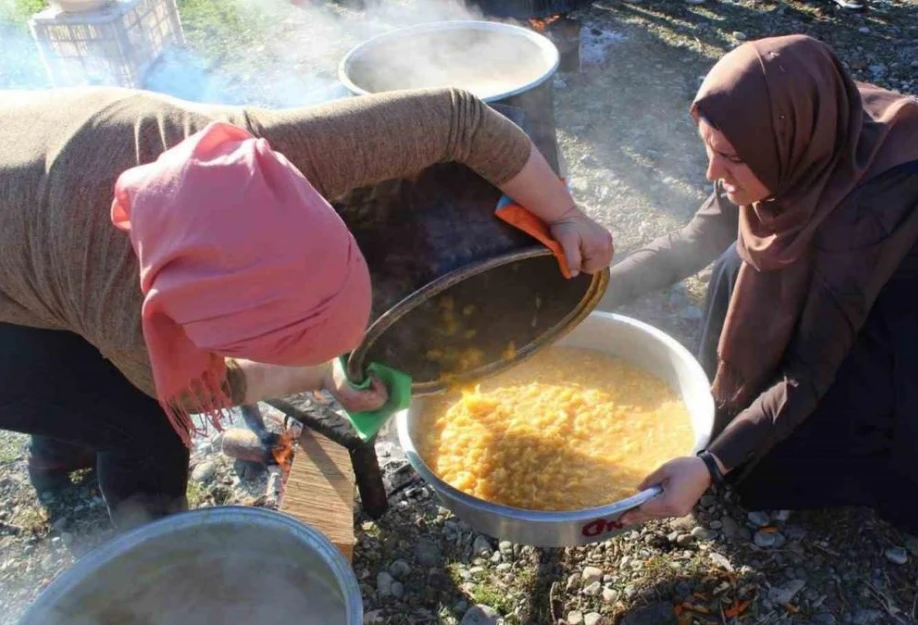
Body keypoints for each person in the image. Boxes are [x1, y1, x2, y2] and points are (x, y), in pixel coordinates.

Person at [0, 85, 613, 530]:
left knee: (89, 377)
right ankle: (152, 548)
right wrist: (326, 374)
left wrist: (565, 213)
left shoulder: (267, 155)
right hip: (21, 269)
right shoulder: (129, 320)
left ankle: (61, 444)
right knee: (138, 425)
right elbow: (212, 387)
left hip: (30, 145)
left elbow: (460, 118)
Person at [614, 34, 918, 550]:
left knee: (796, 448)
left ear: (779, 148)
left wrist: (712, 464)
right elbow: (696, 237)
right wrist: (593, 293)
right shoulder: (789, 129)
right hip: (857, 271)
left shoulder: (870, 207)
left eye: (729, 158)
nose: (712, 173)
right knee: (733, 263)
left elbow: (810, 371)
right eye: (708, 148)